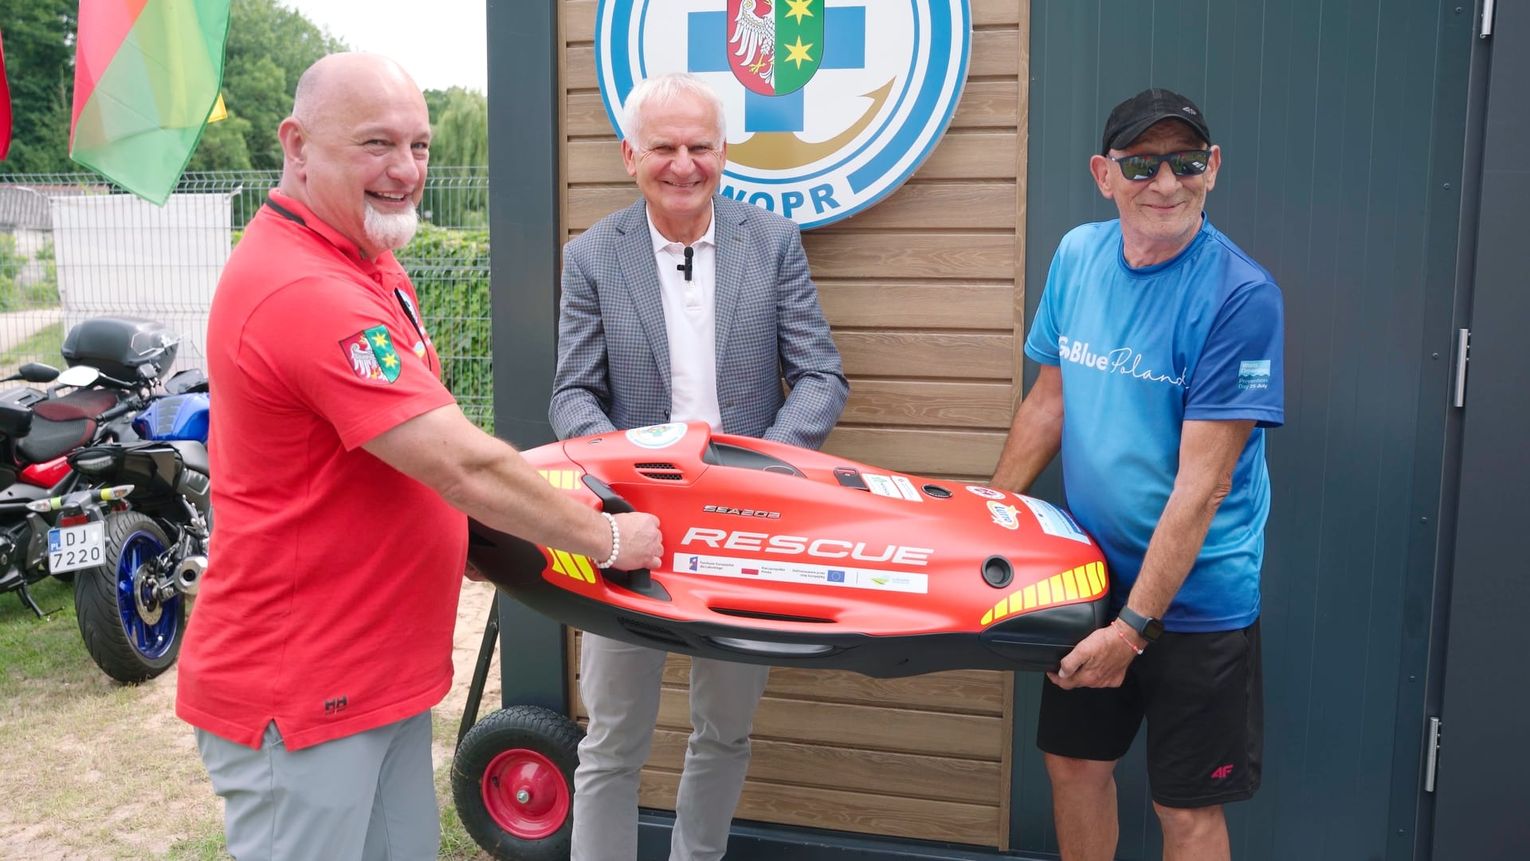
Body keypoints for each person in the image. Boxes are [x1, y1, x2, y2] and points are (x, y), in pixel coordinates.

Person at [176, 53, 663, 861]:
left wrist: (462, 532)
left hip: (375, 675)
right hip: (304, 689)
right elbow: (459, 462)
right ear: (297, 145)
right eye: (376, 144)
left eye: (420, 144)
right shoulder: (304, 288)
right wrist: (607, 538)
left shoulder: (363, 256)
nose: (405, 170)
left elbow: (396, 439)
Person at [550, 72, 848, 861]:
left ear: (725, 151)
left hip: (747, 522)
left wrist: (763, 471)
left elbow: (820, 377)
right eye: (664, 147)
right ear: (629, 155)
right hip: (630, 526)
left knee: (724, 729)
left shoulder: (772, 242)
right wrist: (623, 486)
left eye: (700, 146)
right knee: (611, 737)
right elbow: (572, 396)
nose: (683, 164)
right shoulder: (592, 256)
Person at [989, 88, 1284, 861]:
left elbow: (1203, 485)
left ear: (1212, 168)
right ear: (1104, 174)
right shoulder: (1078, 257)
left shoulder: (1241, 297)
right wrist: (989, 518)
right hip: (1091, 578)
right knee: (1074, 765)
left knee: (1185, 807)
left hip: (1197, 602)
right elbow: (1048, 403)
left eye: (1185, 161)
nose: (1166, 183)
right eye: (1142, 164)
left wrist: (1133, 629)